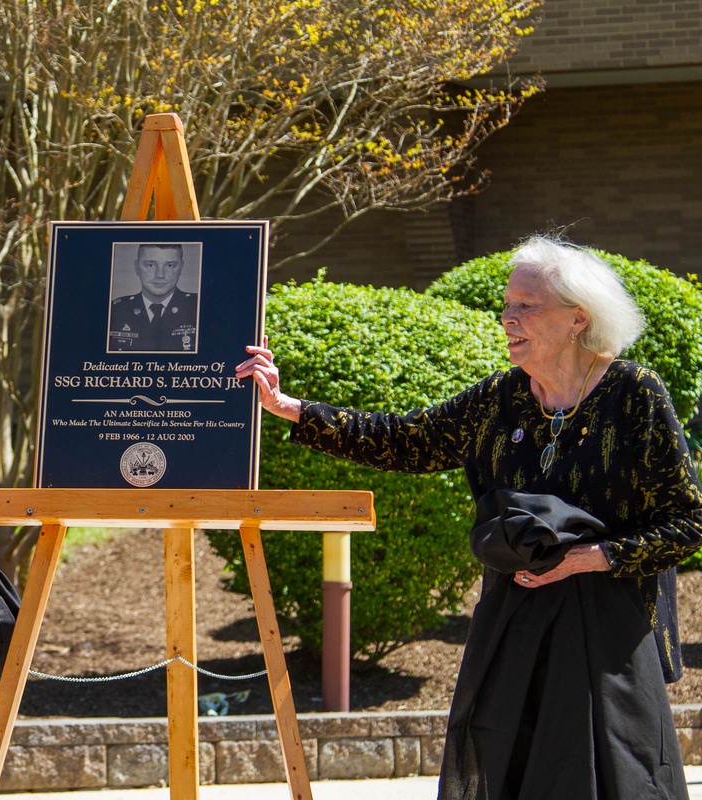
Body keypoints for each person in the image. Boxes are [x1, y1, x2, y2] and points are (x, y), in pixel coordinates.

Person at [236, 235, 702, 800]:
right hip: (515, 623)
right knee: (508, 770)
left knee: (609, 781)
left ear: (579, 318)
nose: (507, 319)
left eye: (525, 307)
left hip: (608, 634)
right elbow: (406, 440)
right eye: (506, 306)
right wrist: (291, 408)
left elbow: (689, 521)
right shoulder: (499, 400)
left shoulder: (634, 393)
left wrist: (588, 559)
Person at [108, 243, 198, 352]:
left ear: (181, 268)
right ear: (136, 267)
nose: (160, 275)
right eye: (150, 265)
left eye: (170, 266)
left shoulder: (197, 307)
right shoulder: (116, 310)